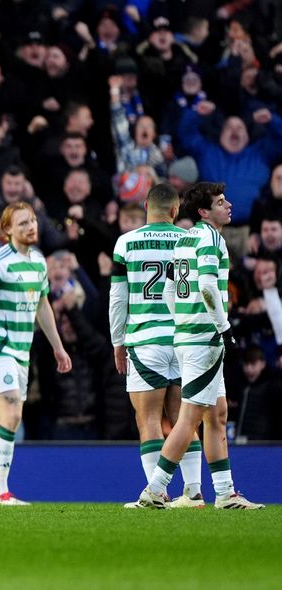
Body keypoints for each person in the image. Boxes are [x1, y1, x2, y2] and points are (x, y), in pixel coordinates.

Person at [134, 182, 264, 509]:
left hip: (189, 336)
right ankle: (154, 489)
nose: (229, 205)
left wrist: (183, 320)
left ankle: (224, 493)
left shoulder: (186, 239)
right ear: (205, 212)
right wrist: (223, 328)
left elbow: (167, 292)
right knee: (190, 416)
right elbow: (207, 286)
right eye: (221, 202)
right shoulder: (210, 239)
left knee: (217, 413)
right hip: (205, 339)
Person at [108, 183, 204, 508]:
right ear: (176, 211)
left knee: (148, 419)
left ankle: (157, 493)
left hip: (145, 341)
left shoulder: (126, 243)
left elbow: (118, 298)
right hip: (183, 339)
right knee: (183, 417)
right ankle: (193, 491)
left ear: (146, 206)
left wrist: (117, 341)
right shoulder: (190, 241)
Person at [0, 202, 72, 505]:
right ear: (7, 230)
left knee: (12, 420)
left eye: (32, 221)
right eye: (23, 223)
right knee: (12, 411)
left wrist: (58, 347)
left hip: (21, 351)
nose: (31, 227)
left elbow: (43, 306)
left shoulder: (39, 262)